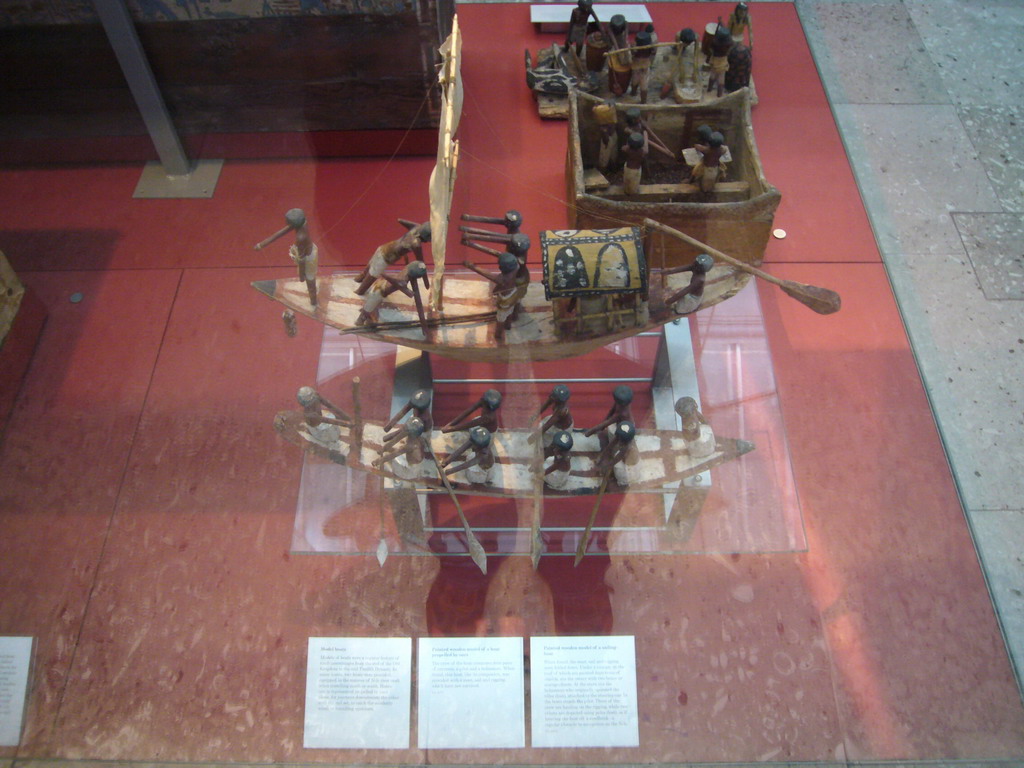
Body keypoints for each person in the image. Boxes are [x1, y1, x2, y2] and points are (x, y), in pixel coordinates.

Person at [254, 208, 319, 308]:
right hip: (306, 253)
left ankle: (314, 302)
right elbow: (282, 232)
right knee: (309, 279)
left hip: (308, 258)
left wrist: (301, 276)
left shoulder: (301, 237)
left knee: (310, 282)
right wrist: (262, 244)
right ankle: (313, 297)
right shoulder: (303, 222)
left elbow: (301, 259)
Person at [354, 219, 431, 296]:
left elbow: (400, 220)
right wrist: (426, 281)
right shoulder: (416, 244)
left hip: (385, 247)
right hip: (387, 256)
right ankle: (360, 290)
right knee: (373, 274)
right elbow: (421, 262)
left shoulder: (416, 227)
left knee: (371, 264)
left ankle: (360, 278)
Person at [463, 253, 524, 343]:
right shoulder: (517, 267)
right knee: (511, 311)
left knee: (500, 319)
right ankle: (508, 325)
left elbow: (487, 274)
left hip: (505, 299)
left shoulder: (503, 278)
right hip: (514, 293)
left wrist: (472, 266)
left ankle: (498, 336)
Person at [355, 260, 429, 327]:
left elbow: (394, 281)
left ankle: (367, 318)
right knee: (368, 308)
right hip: (379, 290)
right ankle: (362, 320)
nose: (406, 267)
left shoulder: (403, 278)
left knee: (370, 307)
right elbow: (407, 292)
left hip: (380, 289)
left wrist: (383, 274)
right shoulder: (402, 278)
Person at [375, 416, 429, 483]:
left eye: (406, 428)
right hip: (414, 461)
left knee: (393, 459)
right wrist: (383, 449)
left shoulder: (410, 446)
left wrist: (378, 461)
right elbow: (395, 439)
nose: (404, 429)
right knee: (395, 449)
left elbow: (392, 455)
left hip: (410, 470)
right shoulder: (415, 436)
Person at [593, 420, 639, 487]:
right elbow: (611, 445)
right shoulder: (620, 437)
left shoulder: (627, 447)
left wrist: (605, 467)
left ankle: (622, 483)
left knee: (619, 470)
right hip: (623, 456)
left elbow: (615, 460)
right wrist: (602, 456)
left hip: (629, 463)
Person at [662, 27, 700, 102]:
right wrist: (682, 73)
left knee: (687, 56)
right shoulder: (678, 36)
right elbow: (680, 58)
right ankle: (676, 48)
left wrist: (695, 70)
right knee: (678, 53)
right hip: (680, 44)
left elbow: (696, 54)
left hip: (684, 42)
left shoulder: (696, 37)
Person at [629, 29, 654, 103]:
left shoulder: (650, 47)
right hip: (636, 66)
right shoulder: (634, 47)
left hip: (645, 67)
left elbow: (652, 54)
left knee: (643, 86)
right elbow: (632, 53)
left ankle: (643, 101)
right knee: (634, 81)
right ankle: (633, 93)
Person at [707, 25, 734, 97]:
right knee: (721, 78)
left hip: (715, 60)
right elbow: (730, 51)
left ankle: (709, 89)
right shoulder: (729, 44)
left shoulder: (714, 43)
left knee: (712, 75)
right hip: (723, 61)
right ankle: (719, 94)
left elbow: (710, 49)